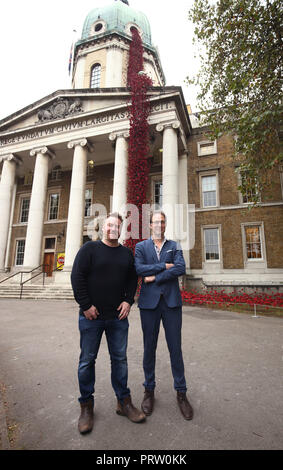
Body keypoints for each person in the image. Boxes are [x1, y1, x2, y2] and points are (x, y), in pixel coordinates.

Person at [71, 213, 146, 434]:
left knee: (120, 360)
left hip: (117, 319)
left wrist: (128, 300)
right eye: (110, 225)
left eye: (117, 226)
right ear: (104, 227)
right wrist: (86, 305)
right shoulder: (89, 250)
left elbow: (133, 278)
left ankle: (123, 401)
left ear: (121, 230)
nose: (113, 228)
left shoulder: (126, 254)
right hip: (91, 317)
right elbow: (77, 277)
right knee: (87, 361)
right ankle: (86, 406)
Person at [134, 210, 193, 420]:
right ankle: (149, 390)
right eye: (156, 222)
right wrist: (162, 267)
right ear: (150, 225)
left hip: (171, 304)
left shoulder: (174, 246)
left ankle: (181, 393)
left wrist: (154, 278)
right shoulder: (141, 247)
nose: (159, 225)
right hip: (149, 305)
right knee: (149, 348)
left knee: (175, 348)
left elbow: (181, 268)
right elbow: (139, 269)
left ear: (165, 225)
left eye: (162, 222)